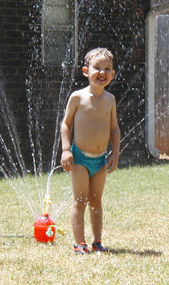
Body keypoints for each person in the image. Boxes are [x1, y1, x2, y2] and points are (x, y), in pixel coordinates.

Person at [61, 47, 120, 254]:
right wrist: (66, 150)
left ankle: (97, 242)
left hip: (100, 159)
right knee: (80, 201)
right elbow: (66, 124)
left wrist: (115, 153)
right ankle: (80, 243)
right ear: (86, 71)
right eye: (97, 68)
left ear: (112, 74)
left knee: (96, 200)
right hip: (80, 159)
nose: (102, 72)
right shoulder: (77, 98)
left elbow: (114, 128)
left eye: (107, 69)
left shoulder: (110, 100)